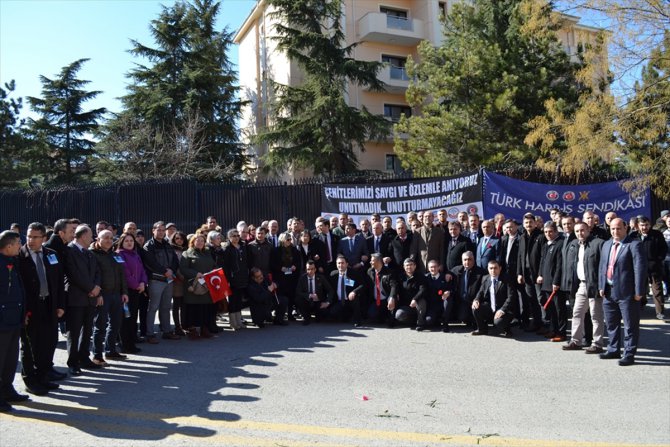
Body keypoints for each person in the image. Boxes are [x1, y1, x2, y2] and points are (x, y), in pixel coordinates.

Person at [17, 222, 65, 395]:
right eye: (29, 236)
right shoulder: (19, 257)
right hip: (30, 308)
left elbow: (59, 282)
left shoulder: (51, 255)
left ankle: (43, 376)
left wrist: (60, 305)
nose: (30, 240)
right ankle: (30, 380)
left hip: (49, 305)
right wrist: (22, 312)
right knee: (30, 346)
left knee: (48, 343)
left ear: (44, 238)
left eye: (35, 237)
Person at [599, 218, 648, 366]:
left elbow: (640, 269)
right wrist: (601, 286)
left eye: (618, 228)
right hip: (609, 291)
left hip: (628, 293)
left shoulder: (634, 245)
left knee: (630, 325)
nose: (615, 231)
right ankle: (613, 349)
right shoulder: (607, 244)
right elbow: (603, 267)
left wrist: (639, 291)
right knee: (611, 324)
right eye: (612, 228)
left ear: (625, 228)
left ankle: (629, 353)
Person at [562, 222, 605, 353]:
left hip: (595, 285)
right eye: (577, 231)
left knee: (596, 316)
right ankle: (576, 341)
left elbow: (603, 266)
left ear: (588, 230)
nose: (580, 233)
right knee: (577, 313)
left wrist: (601, 285)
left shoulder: (598, 243)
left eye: (582, 230)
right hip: (581, 285)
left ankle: (597, 344)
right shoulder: (575, 244)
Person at [65, 225, 102, 376]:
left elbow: (97, 272)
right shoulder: (70, 251)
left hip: (91, 298)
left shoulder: (90, 253)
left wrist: (97, 287)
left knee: (87, 330)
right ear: (81, 236)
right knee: (74, 331)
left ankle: (84, 357)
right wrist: (90, 288)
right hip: (77, 297)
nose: (92, 238)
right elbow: (73, 274)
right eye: (90, 235)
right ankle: (73, 362)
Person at [90, 230, 129, 365]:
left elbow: (122, 275)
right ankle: (97, 355)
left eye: (111, 238)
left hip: (116, 295)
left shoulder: (115, 255)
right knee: (100, 326)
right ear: (97, 239)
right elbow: (94, 277)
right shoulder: (93, 255)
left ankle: (110, 351)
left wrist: (124, 292)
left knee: (115, 324)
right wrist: (98, 294)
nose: (108, 240)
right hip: (103, 295)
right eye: (105, 238)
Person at [0, 230, 29, 411]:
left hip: (14, 318)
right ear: (9, 245)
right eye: (18, 243)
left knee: (11, 358)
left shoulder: (13, 261)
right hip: (2, 320)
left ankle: (7, 389)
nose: (20, 246)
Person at [143, 221, 180, 343]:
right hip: (156, 280)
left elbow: (175, 260)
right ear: (153, 230)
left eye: (163, 230)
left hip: (168, 280)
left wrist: (171, 270)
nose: (161, 232)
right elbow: (150, 263)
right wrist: (164, 271)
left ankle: (167, 331)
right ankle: (150, 334)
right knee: (153, 307)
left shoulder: (167, 244)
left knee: (166, 307)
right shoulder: (149, 246)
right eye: (158, 230)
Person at [179, 234, 217, 339]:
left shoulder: (208, 253)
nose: (200, 242)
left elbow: (213, 265)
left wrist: (214, 271)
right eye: (197, 240)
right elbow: (183, 269)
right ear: (193, 241)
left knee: (205, 309)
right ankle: (192, 331)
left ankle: (204, 329)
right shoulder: (187, 253)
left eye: (202, 240)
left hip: (206, 285)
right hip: (193, 286)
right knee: (193, 309)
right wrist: (196, 274)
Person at [115, 232, 146, 354]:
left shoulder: (135, 254)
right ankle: (125, 345)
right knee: (125, 319)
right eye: (127, 241)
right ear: (122, 242)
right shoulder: (119, 254)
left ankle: (131, 343)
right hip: (126, 291)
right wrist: (137, 285)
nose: (129, 243)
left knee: (132, 318)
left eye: (131, 241)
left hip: (137, 290)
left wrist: (143, 282)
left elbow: (142, 270)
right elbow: (125, 273)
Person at [631, 216, 667, 320]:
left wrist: (658, 260)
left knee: (657, 290)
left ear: (650, 225)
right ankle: (641, 305)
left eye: (646, 225)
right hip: (638, 268)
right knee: (639, 288)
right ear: (638, 226)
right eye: (642, 225)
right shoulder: (633, 236)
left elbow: (663, 249)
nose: (644, 227)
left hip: (654, 267)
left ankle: (660, 312)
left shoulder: (657, 235)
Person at [471, 260, 517, 337]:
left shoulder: (507, 278)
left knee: (498, 322)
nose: (493, 270)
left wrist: (502, 310)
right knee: (475, 308)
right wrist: (476, 300)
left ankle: (507, 329)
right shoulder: (485, 278)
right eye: (491, 268)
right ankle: (482, 329)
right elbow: (481, 291)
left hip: (504, 309)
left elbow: (511, 296)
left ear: (500, 268)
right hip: (490, 307)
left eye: (495, 268)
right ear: (488, 269)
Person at [536, 222, 564, 341]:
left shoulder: (560, 244)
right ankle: (553, 330)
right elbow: (542, 261)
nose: (548, 234)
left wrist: (556, 282)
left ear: (556, 232)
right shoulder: (546, 245)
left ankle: (561, 333)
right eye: (546, 232)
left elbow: (559, 265)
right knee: (551, 309)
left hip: (555, 284)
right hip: (546, 282)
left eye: (550, 232)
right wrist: (540, 274)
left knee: (559, 310)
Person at [516, 213, 543, 332]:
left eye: (530, 222)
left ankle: (544, 323)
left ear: (535, 223)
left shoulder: (541, 236)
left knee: (540, 299)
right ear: (523, 224)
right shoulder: (522, 237)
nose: (528, 224)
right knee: (531, 299)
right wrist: (519, 273)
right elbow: (520, 256)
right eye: (526, 223)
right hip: (526, 273)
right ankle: (536, 323)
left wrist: (541, 273)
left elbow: (543, 257)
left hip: (537, 274)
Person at [449, 251, 486, 329]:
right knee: (462, 317)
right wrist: (447, 274)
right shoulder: (456, 270)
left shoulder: (481, 272)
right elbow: (447, 273)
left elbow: (483, 289)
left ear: (474, 260)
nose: (467, 262)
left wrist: (477, 299)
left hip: (474, 300)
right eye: (465, 260)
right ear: (462, 261)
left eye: (470, 259)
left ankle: (475, 319)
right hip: (461, 301)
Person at [223, 228, 250, 330]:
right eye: (234, 236)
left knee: (239, 300)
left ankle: (239, 321)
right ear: (229, 237)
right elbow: (226, 266)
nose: (236, 237)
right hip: (232, 279)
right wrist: (228, 280)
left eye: (237, 235)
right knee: (232, 301)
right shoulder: (227, 249)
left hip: (242, 277)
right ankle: (233, 322)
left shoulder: (243, 246)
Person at [390, 258, 427, 330]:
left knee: (421, 300)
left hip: (417, 304)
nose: (409, 267)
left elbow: (423, 290)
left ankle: (420, 323)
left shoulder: (420, 276)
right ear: (404, 267)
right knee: (399, 314)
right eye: (407, 265)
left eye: (411, 265)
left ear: (415, 266)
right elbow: (395, 287)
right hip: (406, 305)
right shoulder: (400, 277)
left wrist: (415, 299)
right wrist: (393, 297)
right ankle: (411, 322)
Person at [271, 232, 301, 322]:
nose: (289, 241)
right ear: (282, 240)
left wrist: (295, 266)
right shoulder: (276, 250)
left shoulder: (294, 250)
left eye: (290, 239)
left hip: (292, 277)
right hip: (280, 276)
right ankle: (281, 314)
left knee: (291, 295)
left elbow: (298, 262)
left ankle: (290, 314)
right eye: (288, 239)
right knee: (281, 296)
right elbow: (272, 264)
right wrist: (281, 268)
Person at [327, 256, 363, 327]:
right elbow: (329, 289)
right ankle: (345, 317)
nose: (340, 265)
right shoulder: (333, 274)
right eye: (338, 263)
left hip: (350, 300)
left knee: (355, 299)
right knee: (332, 313)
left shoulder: (354, 273)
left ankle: (357, 320)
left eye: (342, 263)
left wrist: (354, 292)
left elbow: (362, 285)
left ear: (347, 264)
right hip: (339, 301)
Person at [295, 260, 333, 325]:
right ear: (306, 270)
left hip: (318, 301)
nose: (310, 271)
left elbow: (330, 290)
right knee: (298, 299)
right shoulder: (302, 278)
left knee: (323, 316)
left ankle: (318, 316)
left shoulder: (321, 278)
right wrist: (309, 295)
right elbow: (298, 292)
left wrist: (327, 302)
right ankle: (306, 317)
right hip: (307, 301)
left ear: (315, 269)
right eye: (308, 269)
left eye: (312, 269)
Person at [366, 253, 397, 326]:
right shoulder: (370, 271)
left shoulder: (389, 272)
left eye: (372, 261)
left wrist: (392, 297)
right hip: (376, 300)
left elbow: (394, 286)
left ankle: (389, 316)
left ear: (379, 262)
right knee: (371, 314)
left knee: (391, 323)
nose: (370, 262)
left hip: (387, 298)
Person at [170, 231, 189, 335]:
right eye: (177, 238)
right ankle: (177, 327)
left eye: (181, 238)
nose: (179, 240)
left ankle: (183, 325)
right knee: (176, 305)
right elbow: (173, 265)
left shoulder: (187, 250)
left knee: (184, 305)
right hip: (176, 281)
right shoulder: (171, 250)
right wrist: (179, 276)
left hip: (186, 281)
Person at [424, 259, 450, 331]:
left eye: (435, 267)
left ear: (439, 267)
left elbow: (452, 288)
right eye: (431, 267)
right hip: (432, 306)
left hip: (443, 304)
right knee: (428, 320)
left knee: (448, 300)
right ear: (428, 268)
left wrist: (449, 292)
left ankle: (445, 324)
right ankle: (437, 320)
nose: (433, 269)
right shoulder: (425, 278)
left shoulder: (445, 277)